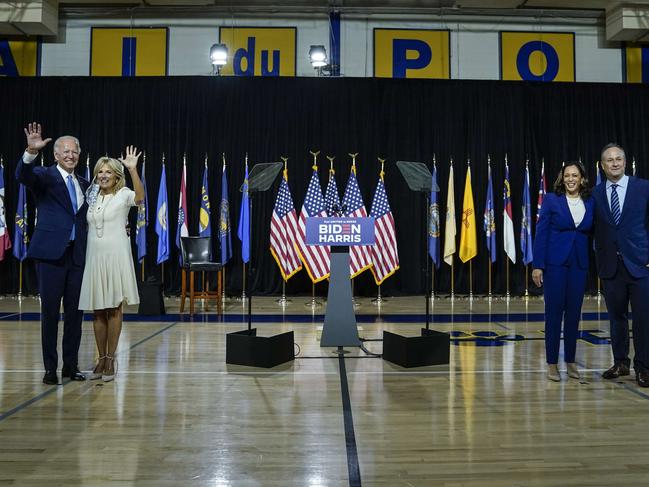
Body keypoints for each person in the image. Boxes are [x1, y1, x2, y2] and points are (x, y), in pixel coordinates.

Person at [16, 123, 89, 385]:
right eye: (66, 152)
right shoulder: (44, 176)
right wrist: (29, 152)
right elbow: (23, 175)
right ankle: (50, 368)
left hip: (77, 258)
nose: (71, 156)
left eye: (75, 152)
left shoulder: (84, 183)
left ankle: (71, 366)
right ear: (56, 155)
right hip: (50, 257)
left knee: (75, 316)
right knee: (49, 315)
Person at [78, 147, 144, 382]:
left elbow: (140, 198)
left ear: (116, 175)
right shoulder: (92, 194)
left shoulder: (124, 193)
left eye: (108, 172)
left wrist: (133, 169)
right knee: (98, 309)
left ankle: (111, 359)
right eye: (100, 172)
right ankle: (100, 359)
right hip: (95, 257)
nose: (103, 175)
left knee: (114, 307)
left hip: (116, 257)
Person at [593, 143, 649, 388]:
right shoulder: (594, 194)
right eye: (609, 160)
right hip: (610, 267)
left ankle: (644, 367)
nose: (614, 163)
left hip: (640, 264)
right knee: (616, 318)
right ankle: (620, 362)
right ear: (602, 166)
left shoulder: (644, 188)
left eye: (618, 159)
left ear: (625, 163)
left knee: (643, 319)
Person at [532, 161, 594, 382]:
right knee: (554, 315)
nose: (570, 179)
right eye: (567, 175)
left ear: (582, 178)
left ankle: (570, 360)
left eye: (575, 175)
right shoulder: (551, 200)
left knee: (574, 316)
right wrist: (537, 265)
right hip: (555, 264)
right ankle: (551, 364)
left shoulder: (590, 200)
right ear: (562, 178)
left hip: (579, 264)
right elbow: (541, 233)